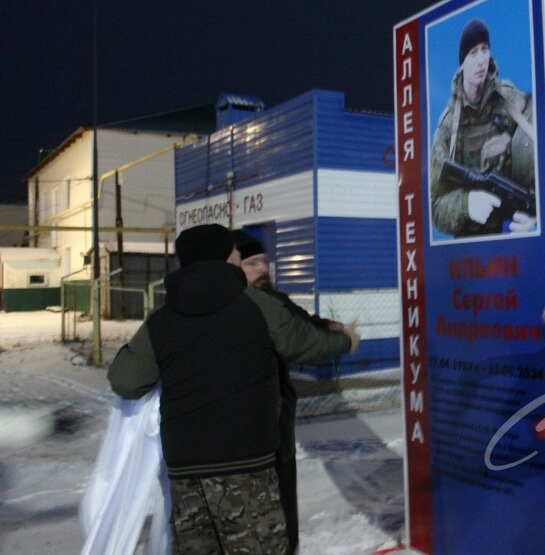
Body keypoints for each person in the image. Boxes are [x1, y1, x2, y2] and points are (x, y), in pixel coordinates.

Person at [108, 224, 360, 554]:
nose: (241, 256)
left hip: (186, 471)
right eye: (236, 251)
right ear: (225, 256)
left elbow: (125, 380)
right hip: (247, 465)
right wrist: (345, 341)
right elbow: (303, 342)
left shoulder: (162, 320)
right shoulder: (255, 305)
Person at [231, 228, 347, 554]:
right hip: (241, 432)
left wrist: (324, 326)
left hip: (278, 423)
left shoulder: (275, 300)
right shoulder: (229, 308)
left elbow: (299, 323)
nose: (262, 269)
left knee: (283, 510)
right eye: (252, 263)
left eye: (264, 261)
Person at [430, 17, 537, 238]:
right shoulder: (449, 124)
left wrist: (537, 215)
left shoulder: (512, 103)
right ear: (462, 61)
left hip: (508, 239)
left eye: (485, 49)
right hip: (468, 250)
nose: (481, 60)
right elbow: (434, 208)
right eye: (473, 52)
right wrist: (467, 204)